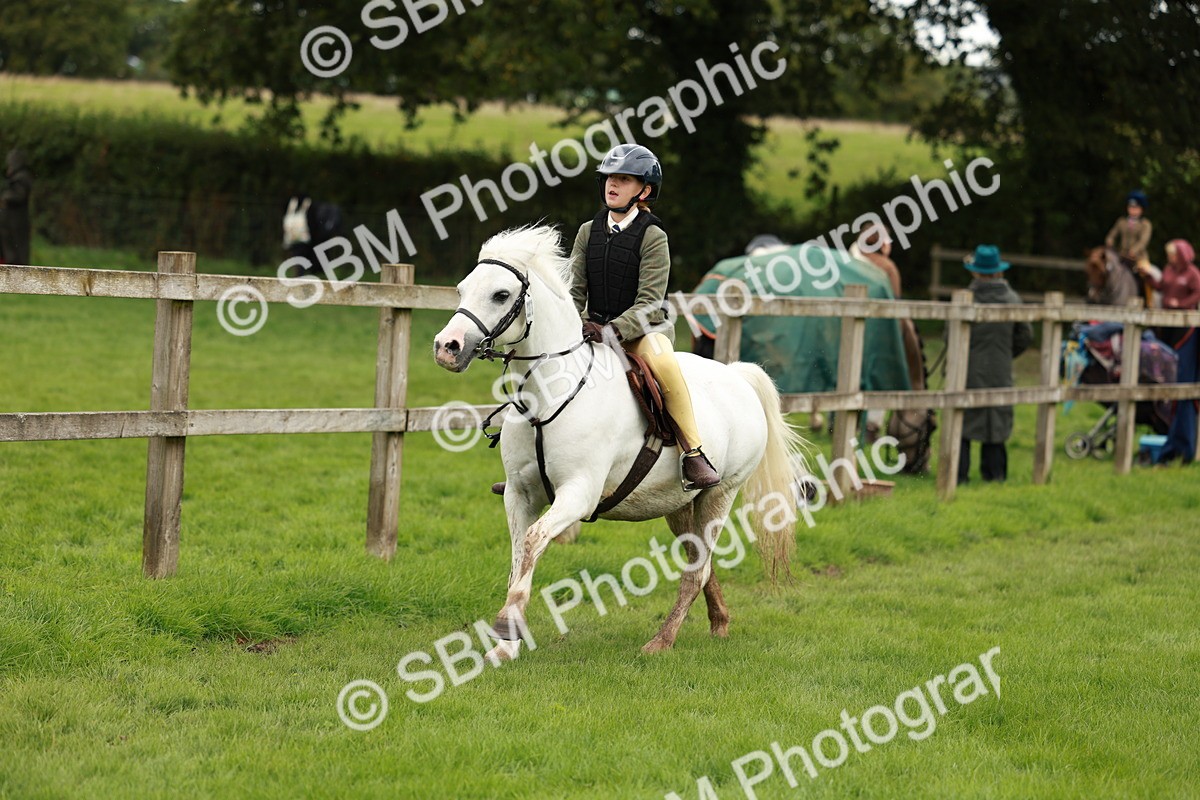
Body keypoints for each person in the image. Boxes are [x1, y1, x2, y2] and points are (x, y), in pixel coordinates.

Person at [572, 144, 720, 490]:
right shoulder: (585, 232)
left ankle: (693, 453)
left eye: (623, 179)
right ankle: (529, 464)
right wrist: (577, 323)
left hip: (642, 331)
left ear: (645, 190)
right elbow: (575, 292)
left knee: (666, 365)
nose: (612, 185)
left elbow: (650, 303)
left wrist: (612, 330)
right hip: (591, 327)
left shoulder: (654, 237)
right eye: (609, 178)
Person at [958, 245, 1033, 484]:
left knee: (963, 423)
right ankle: (995, 476)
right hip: (1000, 369)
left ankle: (959, 475)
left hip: (968, 369)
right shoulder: (1012, 299)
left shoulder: (966, 299)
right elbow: (1025, 335)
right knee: (996, 422)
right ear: (998, 271)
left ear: (975, 272)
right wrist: (1006, 354)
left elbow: (952, 338)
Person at [1139, 239, 1200, 463]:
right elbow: (1161, 287)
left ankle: (1184, 446)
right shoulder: (1168, 270)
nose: (1170, 259)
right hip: (1167, 328)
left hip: (1186, 328)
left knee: (1185, 385)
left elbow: (1197, 294)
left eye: (1173, 255)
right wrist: (1147, 277)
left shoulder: (1193, 273)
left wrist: (1179, 304)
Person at [0, 148, 33, 265]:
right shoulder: (17, 177)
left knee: (17, 254)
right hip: (9, 224)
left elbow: (18, 195)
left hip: (16, 224)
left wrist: (4, 198)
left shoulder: (22, 177)